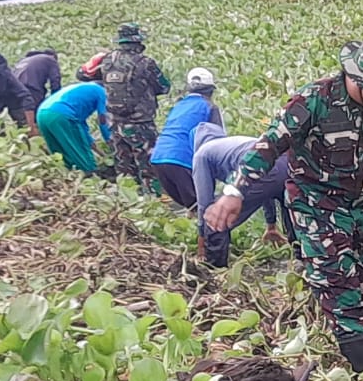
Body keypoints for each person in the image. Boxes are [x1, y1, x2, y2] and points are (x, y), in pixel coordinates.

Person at [205, 39, 363, 381]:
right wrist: (235, 192)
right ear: (354, 78)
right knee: (337, 280)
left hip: (356, 201)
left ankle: (360, 342)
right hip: (314, 200)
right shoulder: (314, 99)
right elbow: (268, 145)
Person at [191, 122, 288, 267]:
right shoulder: (233, 144)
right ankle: (303, 262)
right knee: (296, 217)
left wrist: (202, 239)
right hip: (287, 166)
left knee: (216, 218)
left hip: (264, 171)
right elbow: (265, 182)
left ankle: (213, 268)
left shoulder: (202, 154)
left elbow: (204, 203)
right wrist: (271, 225)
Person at [100, 23, 171, 195]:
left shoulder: (107, 61)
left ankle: (128, 200)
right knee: (148, 164)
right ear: (138, 42)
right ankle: (155, 199)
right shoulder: (145, 63)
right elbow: (164, 87)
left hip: (115, 121)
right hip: (141, 122)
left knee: (123, 164)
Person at [150, 67, 223, 210]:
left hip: (158, 158)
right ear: (210, 91)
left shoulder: (179, 105)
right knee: (202, 208)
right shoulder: (209, 107)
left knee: (184, 206)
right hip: (181, 160)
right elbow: (217, 142)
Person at [35, 81, 112, 173]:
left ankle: (67, 177)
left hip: (42, 113)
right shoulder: (102, 91)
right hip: (61, 113)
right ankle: (91, 174)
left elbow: (81, 125)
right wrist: (110, 140)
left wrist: (92, 144)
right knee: (82, 155)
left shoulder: (80, 88)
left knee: (60, 155)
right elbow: (103, 119)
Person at [14, 49, 61, 114]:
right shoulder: (51, 59)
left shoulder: (24, 60)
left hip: (14, 90)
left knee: (22, 120)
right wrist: (56, 100)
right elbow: (55, 81)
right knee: (37, 116)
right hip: (31, 88)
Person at [0, 53, 36, 134]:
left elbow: (26, 97)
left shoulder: (5, 75)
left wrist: (31, 127)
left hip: (15, 104)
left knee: (25, 132)